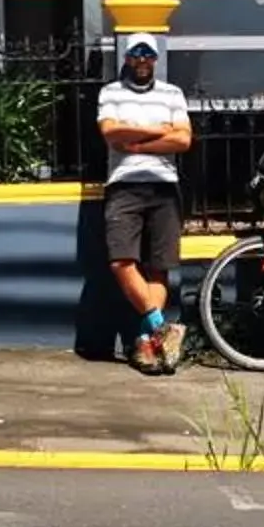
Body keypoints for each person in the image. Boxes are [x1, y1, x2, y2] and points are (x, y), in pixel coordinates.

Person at [97, 33, 191, 373]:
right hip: (124, 185)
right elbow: (110, 133)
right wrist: (157, 130)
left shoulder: (172, 93)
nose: (141, 60)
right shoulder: (111, 92)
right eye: (135, 53)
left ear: (155, 59)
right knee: (121, 260)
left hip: (164, 186)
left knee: (157, 267)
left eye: (147, 54)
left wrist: (136, 142)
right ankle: (160, 326)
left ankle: (147, 346)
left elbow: (182, 138)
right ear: (126, 57)